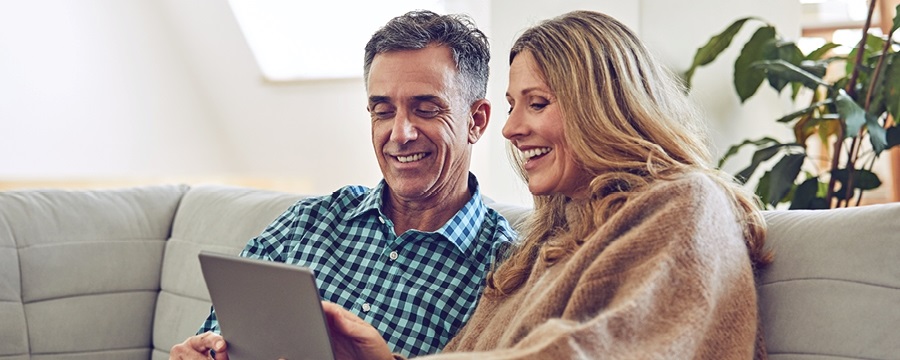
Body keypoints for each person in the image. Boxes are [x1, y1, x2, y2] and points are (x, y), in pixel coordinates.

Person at [322, 9, 773, 360]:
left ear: (602, 106)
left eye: (536, 103)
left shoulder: (687, 203)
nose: (510, 128)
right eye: (512, 105)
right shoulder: (543, 246)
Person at [168, 10, 516, 360]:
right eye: (382, 111)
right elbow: (215, 339)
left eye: (425, 109)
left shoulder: (506, 271)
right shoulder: (307, 222)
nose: (400, 134)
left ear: (477, 120)